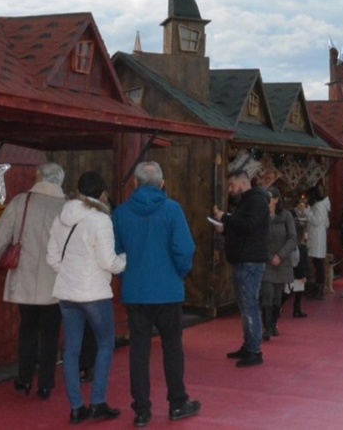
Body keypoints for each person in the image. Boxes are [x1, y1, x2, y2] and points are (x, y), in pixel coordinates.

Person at [113, 161, 201, 426]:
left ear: (135, 183)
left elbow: (115, 253)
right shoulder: (172, 210)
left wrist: (126, 276)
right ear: (162, 184)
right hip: (168, 290)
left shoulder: (121, 213)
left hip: (136, 291)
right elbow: (184, 250)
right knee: (172, 348)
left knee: (139, 351)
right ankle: (177, 402)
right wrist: (180, 273)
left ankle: (141, 410)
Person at [46, 171, 126, 424]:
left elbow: (52, 258)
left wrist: (70, 273)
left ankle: (76, 407)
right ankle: (98, 402)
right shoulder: (100, 220)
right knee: (105, 344)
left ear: (78, 192)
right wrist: (125, 260)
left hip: (67, 293)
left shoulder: (62, 217)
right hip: (94, 293)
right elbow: (108, 262)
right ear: (102, 193)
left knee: (71, 350)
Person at [0, 162, 66, 400]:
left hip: (25, 276)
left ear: (39, 177)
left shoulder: (22, 201)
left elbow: (1, 235)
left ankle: (24, 378)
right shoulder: (66, 207)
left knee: (28, 328)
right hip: (56, 279)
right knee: (51, 332)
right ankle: (47, 383)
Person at [212, 169, 270, 368]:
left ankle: (254, 349)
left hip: (250, 260)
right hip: (244, 258)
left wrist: (225, 218)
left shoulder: (256, 201)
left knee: (249, 305)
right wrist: (225, 228)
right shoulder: (248, 201)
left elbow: (249, 226)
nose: (230, 190)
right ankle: (249, 344)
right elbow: (243, 228)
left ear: (242, 182)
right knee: (246, 305)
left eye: (231, 185)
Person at [260, 186, 297, 341]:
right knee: (267, 293)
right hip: (267, 262)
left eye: (269, 197)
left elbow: (292, 237)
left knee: (277, 296)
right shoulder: (261, 217)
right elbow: (258, 239)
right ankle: (266, 327)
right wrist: (269, 257)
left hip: (282, 262)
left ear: (276, 199)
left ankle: (274, 323)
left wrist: (281, 255)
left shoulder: (286, 216)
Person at [299, 185, 330, 300]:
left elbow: (317, 221)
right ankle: (318, 287)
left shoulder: (319, 206)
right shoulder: (320, 206)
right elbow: (326, 223)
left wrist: (307, 212)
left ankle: (319, 288)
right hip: (317, 236)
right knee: (317, 263)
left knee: (318, 263)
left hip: (317, 237)